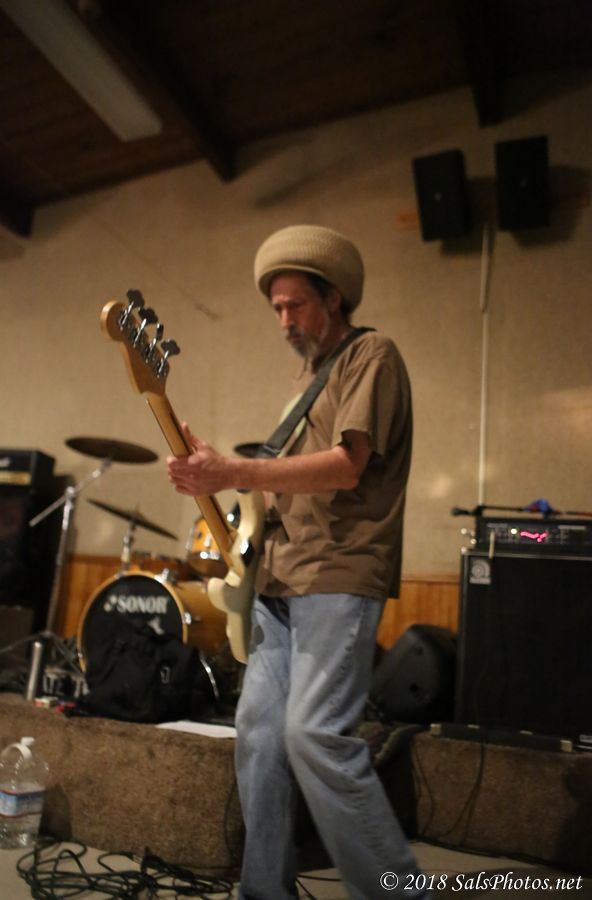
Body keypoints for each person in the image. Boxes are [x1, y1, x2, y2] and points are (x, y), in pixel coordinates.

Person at [167, 225, 431, 899]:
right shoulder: (308, 382)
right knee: (258, 734)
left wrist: (233, 469)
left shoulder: (371, 354)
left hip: (337, 572)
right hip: (279, 576)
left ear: (333, 296)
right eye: (276, 308)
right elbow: (280, 484)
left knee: (315, 735)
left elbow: (345, 467)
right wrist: (212, 475)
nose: (283, 320)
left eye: (295, 304)